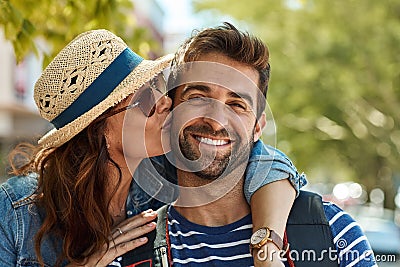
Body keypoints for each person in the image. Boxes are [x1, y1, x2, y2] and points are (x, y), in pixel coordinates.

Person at [0, 29, 305, 267]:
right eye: (145, 100)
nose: (165, 104)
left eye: (159, 90)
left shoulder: (170, 175)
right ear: (99, 130)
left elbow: (266, 162)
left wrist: (266, 247)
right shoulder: (15, 214)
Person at [123, 23, 377, 267]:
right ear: (170, 112)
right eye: (198, 98)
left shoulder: (330, 232)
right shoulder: (129, 251)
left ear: (258, 127)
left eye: (237, 105)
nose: (216, 121)